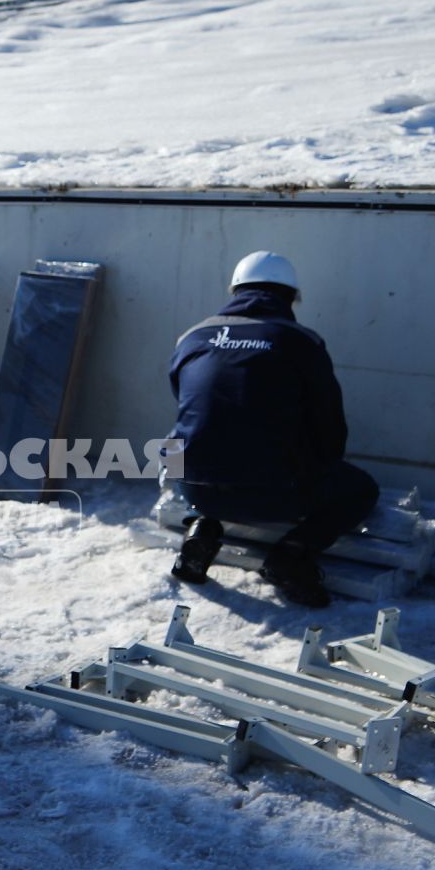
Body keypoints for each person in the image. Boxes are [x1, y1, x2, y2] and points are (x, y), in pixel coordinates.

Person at [165, 251, 378, 608]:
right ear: (291, 297)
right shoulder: (301, 342)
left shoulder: (192, 336)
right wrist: (316, 467)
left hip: (191, 484)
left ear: (234, 291)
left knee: (201, 443)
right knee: (361, 489)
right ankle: (292, 554)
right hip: (274, 494)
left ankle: (202, 528)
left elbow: (192, 407)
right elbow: (330, 426)